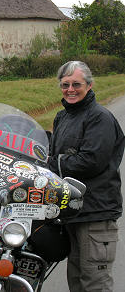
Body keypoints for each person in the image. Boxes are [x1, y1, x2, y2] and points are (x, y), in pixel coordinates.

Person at [48, 61, 124, 292]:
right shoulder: (63, 117)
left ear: (89, 85)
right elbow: (53, 150)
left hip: (96, 214)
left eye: (76, 84)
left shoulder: (99, 117)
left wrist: (53, 163)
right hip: (73, 212)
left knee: (95, 284)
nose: (70, 89)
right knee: (77, 280)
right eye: (65, 85)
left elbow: (90, 161)